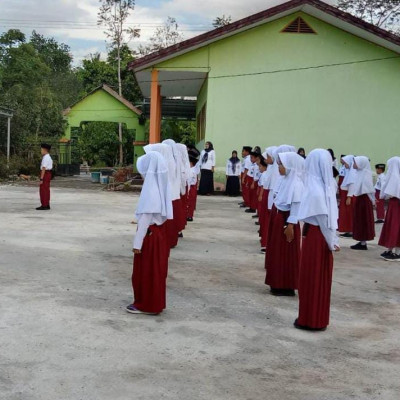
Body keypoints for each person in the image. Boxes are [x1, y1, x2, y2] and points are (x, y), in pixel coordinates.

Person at [294, 149, 340, 331]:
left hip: (316, 237)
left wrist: (331, 241)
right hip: (318, 236)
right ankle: (316, 317)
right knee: (317, 279)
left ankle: (310, 319)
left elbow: (322, 219)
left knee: (311, 278)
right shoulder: (325, 186)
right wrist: (332, 239)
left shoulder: (314, 189)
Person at [126, 151, 172, 315]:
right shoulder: (160, 187)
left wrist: (137, 244)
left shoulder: (150, 190)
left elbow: (145, 219)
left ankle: (145, 304)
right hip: (157, 235)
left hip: (149, 237)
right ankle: (154, 303)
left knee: (145, 272)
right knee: (155, 272)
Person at [265, 152, 304, 296]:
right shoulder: (285, 180)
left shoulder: (296, 184)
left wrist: (291, 225)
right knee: (277, 252)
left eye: (281, 164)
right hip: (280, 219)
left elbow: (295, 206)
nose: (279, 167)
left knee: (286, 254)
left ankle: (286, 285)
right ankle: (277, 282)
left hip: (287, 222)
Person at [348, 156, 375, 250]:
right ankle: (361, 241)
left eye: (355, 162)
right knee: (359, 220)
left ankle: (363, 243)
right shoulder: (359, 173)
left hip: (364, 201)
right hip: (360, 200)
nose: (354, 164)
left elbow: (369, 189)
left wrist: (372, 199)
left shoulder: (365, 174)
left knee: (363, 221)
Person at [378, 157, 400, 261]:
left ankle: (395, 252)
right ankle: (392, 250)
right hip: (394, 204)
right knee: (394, 226)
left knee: (394, 227)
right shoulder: (395, 177)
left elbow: (387, 192)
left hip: (396, 204)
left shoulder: (394, 178)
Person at [338, 155, 356, 238]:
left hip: (349, 196)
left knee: (349, 214)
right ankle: (347, 229)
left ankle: (351, 230)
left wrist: (349, 197)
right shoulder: (349, 171)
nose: (345, 165)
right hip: (345, 195)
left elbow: (352, 185)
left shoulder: (352, 173)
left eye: (345, 163)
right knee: (345, 214)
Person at [36, 143, 53, 211]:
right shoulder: (48, 157)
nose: (41, 151)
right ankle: (46, 204)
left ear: (45, 150)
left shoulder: (46, 157)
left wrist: (41, 178)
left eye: (41, 149)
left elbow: (43, 168)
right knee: (46, 189)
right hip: (48, 173)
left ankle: (44, 205)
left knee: (43, 190)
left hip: (45, 174)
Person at [187, 156, 200, 222]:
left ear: (191, 163)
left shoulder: (192, 170)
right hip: (191, 187)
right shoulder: (191, 169)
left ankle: (189, 215)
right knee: (189, 202)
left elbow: (189, 180)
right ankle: (188, 215)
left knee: (190, 202)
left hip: (191, 187)